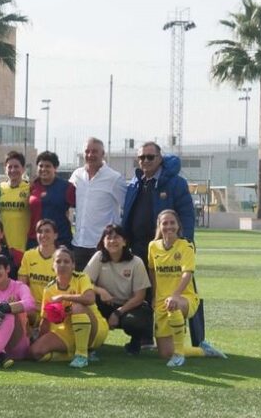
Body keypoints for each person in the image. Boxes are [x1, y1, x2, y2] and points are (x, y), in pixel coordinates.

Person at [122, 141, 203, 345]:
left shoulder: (175, 182)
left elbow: (186, 214)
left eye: (150, 157)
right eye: (142, 157)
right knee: (144, 293)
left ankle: (197, 340)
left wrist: (185, 243)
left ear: (160, 159)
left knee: (185, 289)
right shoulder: (135, 182)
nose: (146, 161)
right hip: (141, 248)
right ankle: (144, 337)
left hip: (171, 248)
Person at [148, 209, 226, 367]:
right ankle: (203, 351)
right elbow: (152, 270)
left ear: (178, 225)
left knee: (173, 306)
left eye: (172, 223)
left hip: (185, 298)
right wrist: (155, 295)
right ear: (159, 226)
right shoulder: (153, 246)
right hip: (162, 301)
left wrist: (176, 295)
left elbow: (187, 273)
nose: (169, 226)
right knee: (164, 353)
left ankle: (179, 355)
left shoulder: (186, 246)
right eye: (165, 223)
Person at [29, 246, 108, 368]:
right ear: (53, 266)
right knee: (35, 352)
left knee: (76, 307)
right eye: (58, 261)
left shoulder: (81, 278)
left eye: (66, 261)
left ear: (73, 265)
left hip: (95, 328)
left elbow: (90, 298)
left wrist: (63, 297)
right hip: (67, 330)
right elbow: (46, 320)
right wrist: (40, 339)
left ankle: (82, 355)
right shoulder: (49, 289)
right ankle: (72, 355)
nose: (62, 264)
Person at [84, 224, 152, 355]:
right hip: (105, 303)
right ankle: (94, 340)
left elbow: (140, 296)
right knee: (84, 305)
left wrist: (118, 313)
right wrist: (101, 291)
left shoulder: (136, 262)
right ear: (103, 241)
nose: (112, 241)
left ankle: (136, 341)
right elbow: (83, 282)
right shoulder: (99, 257)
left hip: (129, 306)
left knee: (133, 321)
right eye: (108, 237)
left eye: (116, 237)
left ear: (125, 241)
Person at [70, 138, 126, 270]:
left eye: (94, 151)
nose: (90, 155)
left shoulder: (114, 178)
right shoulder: (77, 175)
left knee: (102, 289)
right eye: (87, 151)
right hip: (78, 244)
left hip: (103, 246)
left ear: (103, 154)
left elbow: (127, 207)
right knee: (80, 288)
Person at [28, 151, 76, 249]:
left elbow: (81, 209)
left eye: (48, 166)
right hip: (35, 240)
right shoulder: (32, 186)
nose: (44, 169)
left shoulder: (67, 187)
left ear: (55, 168)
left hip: (60, 240)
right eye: (41, 166)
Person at [17, 219, 58, 326]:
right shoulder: (29, 255)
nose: (43, 234)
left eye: (47, 231)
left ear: (55, 235)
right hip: (32, 309)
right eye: (40, 231)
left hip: (53, 309)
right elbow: (21, 286)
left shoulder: (62, 257)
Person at [0, 151, 31, 252]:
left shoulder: (30, 188)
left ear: (23, 169)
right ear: (5, 169)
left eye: (16, 167)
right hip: (3, 245)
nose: (13, 170)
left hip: (25, 245)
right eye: (9, 167)